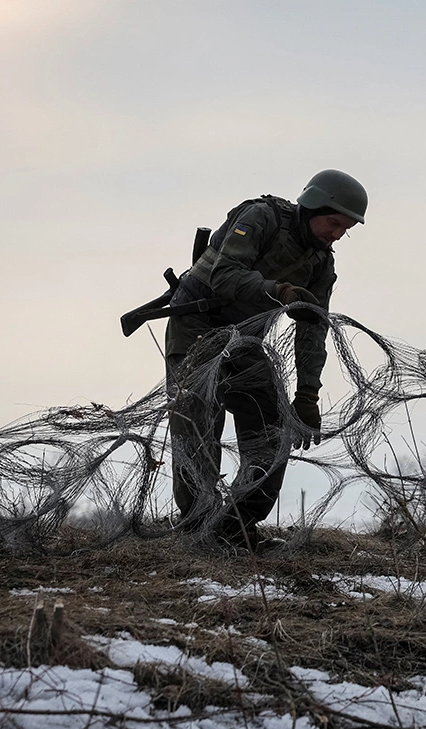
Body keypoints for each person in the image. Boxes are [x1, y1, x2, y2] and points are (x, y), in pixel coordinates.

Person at [162, 169, 366, 550]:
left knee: (274, 430)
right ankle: (197, 529)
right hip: (197, 328)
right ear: (313, 207)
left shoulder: (321, 265)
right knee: (198, 424)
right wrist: (280, 292)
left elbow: (312, 330)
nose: (337, 234)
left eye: (346, 229)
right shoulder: (262, 218)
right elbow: (224, 275)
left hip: (244, 341)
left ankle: (234, 530)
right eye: (334, 223)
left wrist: (307, 395)